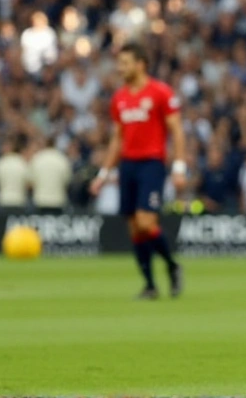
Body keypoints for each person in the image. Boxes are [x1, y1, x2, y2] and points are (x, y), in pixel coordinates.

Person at [91, 43, 187, 300]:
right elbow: (117, 140)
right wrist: (103, 175)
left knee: (146, 221)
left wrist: (179, 167)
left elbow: (176, 131)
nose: (120, 68)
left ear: (141, 64)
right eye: (119, 63)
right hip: (127, 165)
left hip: (152, 164)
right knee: (134, 227)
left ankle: (172, 265)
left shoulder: (160, 92)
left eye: (125, 63)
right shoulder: (119, 98)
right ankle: (150, 285)